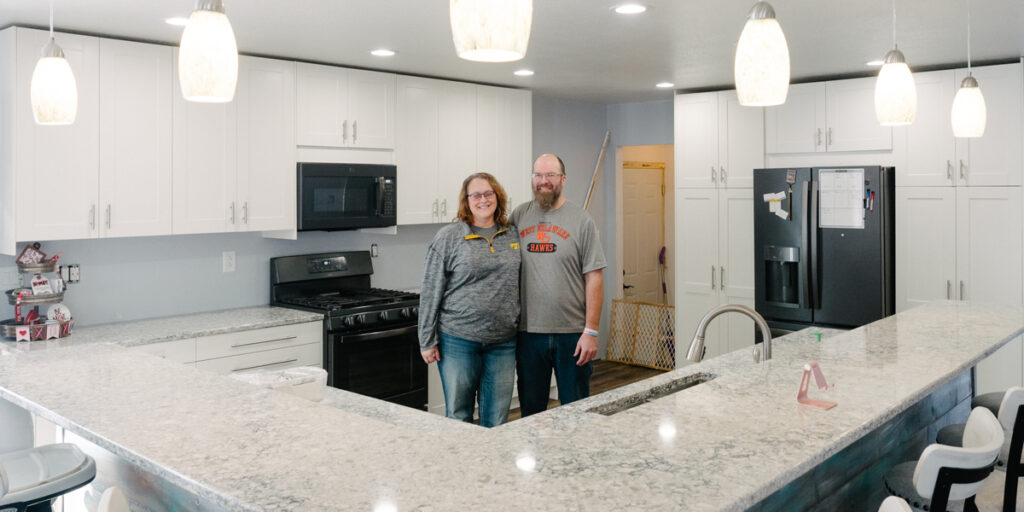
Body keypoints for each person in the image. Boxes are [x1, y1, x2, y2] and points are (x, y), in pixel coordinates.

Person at [418, 172, 521, 427]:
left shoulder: (512, 235)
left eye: (488, 193)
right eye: (476, 194)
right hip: (458, 340)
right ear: (466, 200)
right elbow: (431, 290)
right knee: (458, 416)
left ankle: (490, 466)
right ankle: (459, 467)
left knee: (497, 420)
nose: (483, 199)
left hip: (503, 342)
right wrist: (426, 340)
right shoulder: (449, 237)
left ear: (498, 197)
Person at [511, 154, 607, 418]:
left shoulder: (581, 220)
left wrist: (591, 331)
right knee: (531, 413)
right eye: (538, 175)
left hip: (573, 334)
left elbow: (594, 277)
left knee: (576, 411)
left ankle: (575, 460)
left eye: (550, 175)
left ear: (563, 179)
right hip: (529, 333)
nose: (543, 181)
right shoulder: (519, 216)